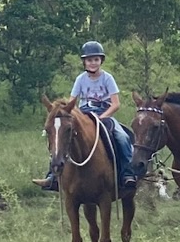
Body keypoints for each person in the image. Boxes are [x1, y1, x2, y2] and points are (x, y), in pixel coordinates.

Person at [39, 41, 138, 193]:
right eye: (89, 60)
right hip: (84, 114)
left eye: (96, 59)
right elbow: (72, 102)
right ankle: (53, 175)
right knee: (60, 137)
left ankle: (127, 173)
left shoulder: (107, 78)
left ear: (101, 61)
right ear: (84, 62)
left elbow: (115, 104)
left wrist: (102, 117)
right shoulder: (80, 79)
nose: (93, 63)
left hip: (104, 114)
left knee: (122, 137)